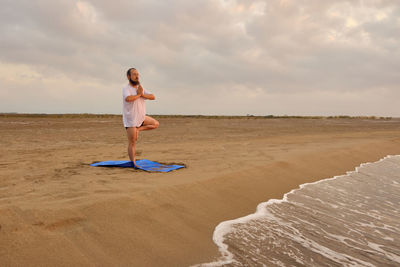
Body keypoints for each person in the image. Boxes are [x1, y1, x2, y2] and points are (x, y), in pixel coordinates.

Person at [122, 68, 159, 168]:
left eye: (138, 74)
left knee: (155, 124)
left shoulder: (140, 88)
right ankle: (133, 163)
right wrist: (139, 94)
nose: (137, 76)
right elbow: (128, 99)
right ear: (129, 76)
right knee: (133, 142)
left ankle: (138, 129)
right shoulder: (126, 88)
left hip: (141, 117)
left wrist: (142, 94)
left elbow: (153, 96)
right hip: (131, 120)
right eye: (134, 74)